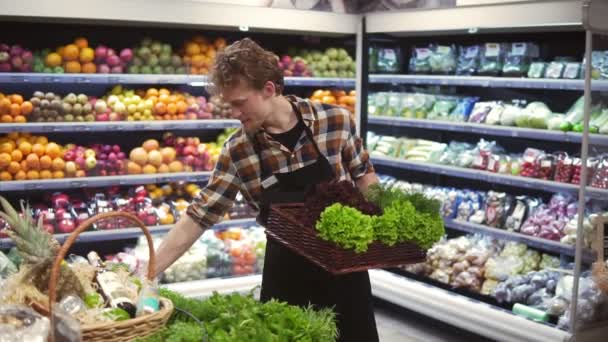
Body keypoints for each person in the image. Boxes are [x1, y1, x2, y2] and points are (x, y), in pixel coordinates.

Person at [154, 38, 379, 342]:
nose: (234, 112)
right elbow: (199, 215)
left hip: (344, 270)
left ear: (269, 89)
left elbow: (365, 175)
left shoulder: (335, 121)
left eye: (239, 103)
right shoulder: (238, 150)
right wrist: (147, 272)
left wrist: (391, 226)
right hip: (286, 279)